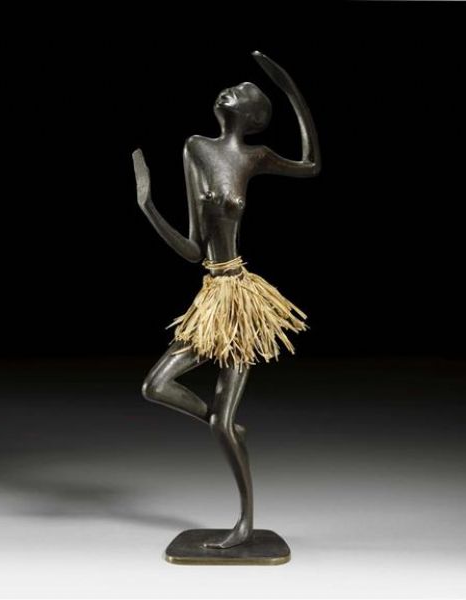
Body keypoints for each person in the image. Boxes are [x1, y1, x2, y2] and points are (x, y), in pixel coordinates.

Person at [132, 50, 321, 549]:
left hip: (241, 300)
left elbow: (311, 165)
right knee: (156, 387)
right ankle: (227, 423)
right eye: (230, 88)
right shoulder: (196, 148)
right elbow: (195, 249)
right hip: (213, 295)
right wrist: (148, 207)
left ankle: (244, 522)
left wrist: (290, 89)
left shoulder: (255, 157)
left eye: (241, 91)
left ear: (252, 116)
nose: (228, 92)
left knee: (220, 427)